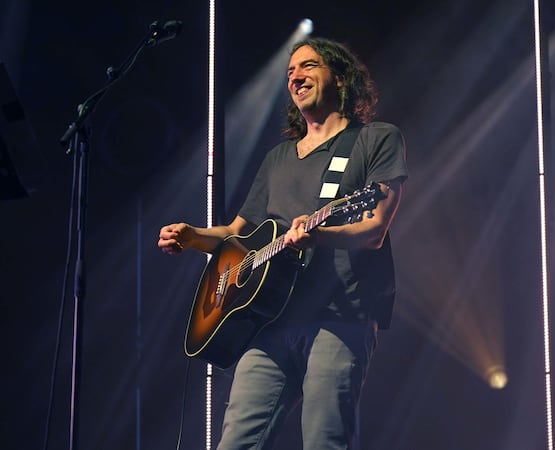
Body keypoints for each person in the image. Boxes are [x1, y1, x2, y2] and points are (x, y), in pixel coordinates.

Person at [158, 37, 408, 450]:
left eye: (308, 66)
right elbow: (237, 233)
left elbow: (375, 227)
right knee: (235, 442)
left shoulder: (376, 140)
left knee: (325, 440)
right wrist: (193, 237)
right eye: (290, 71)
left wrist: (317, 234)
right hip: (271, 320)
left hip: (338, 316)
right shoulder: (278, 158)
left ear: (340, 78)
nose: (295, 76)